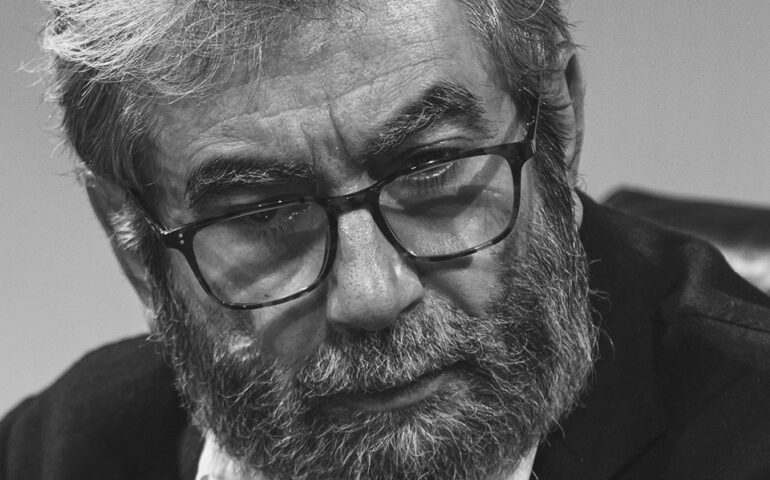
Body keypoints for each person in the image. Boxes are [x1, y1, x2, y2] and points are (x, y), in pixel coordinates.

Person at [2, 0, 769, 479]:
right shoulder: (56, 454)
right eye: (264, 212)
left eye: (429, 168)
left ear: (557, 131)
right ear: (132, 243)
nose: (372, 295)